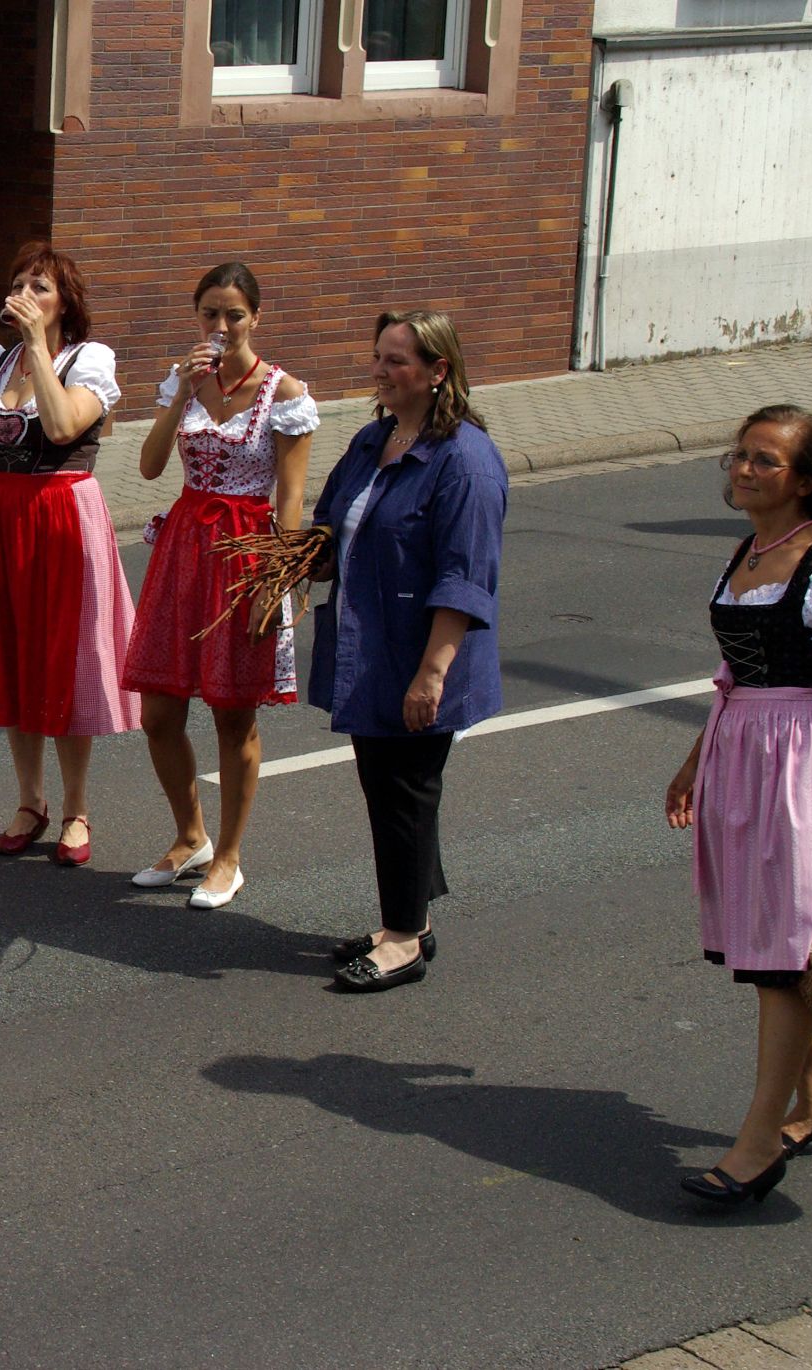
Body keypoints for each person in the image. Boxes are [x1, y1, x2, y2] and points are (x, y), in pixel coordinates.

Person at [665, 406, 812, 1205]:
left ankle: (755, 1145)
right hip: (745, 751)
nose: (742, 469)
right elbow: (734, 671)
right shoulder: (749, 549)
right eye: (738, 455)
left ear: (805, 480)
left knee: (785, 956)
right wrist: (695, 761)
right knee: (772, 940)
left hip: (807, 763)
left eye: (763, 461)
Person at [307, 309, 507, 992]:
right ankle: (410, 920)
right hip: (373, 648)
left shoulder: (466, 463)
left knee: (405, 792)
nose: (380, 372)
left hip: (424, 655)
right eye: (378, 357)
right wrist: (308, 557)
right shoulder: (376, 438)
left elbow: (465, 578)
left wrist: (432, 675)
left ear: (437, 372)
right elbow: (333, 518)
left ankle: (401, 939)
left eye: (397, 362)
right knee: (388, 788)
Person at [0, 242, 139, 866]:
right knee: (15, 655)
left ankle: (76, 809)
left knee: (63, 659)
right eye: (19, 281)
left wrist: (40, 350)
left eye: (39, 286)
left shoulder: (86, 360)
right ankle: (30, 800)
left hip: (62, 516)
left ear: (64, 305)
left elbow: (59, 428)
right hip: (1, 519)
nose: (24, 292)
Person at [123, 261, 319, 907]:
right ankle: (190, 837)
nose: (221, 325)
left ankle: (229, 857)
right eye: (210, 312)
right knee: (158, 712)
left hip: (244, 552)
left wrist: (277, 576)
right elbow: (151, 468)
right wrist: (179, 392)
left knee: (233, 716)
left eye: (234, 314)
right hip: (183, 549)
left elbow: (290, 495)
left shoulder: (284, 393)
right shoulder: (185, 382)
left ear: (255, 317)